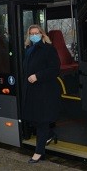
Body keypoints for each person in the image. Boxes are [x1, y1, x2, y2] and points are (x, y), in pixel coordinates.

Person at [21, 24, 61, 163]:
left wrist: (38, 76)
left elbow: (55, 69)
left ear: (42, 34)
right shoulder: (28, 50)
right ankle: (50, 134)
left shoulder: (49, 49)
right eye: (31, 33)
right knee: (33, 120)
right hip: (32, 91)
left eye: (37, 33)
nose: (34, 35)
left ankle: (39, 153)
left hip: (45, 92)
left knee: (41, 121)